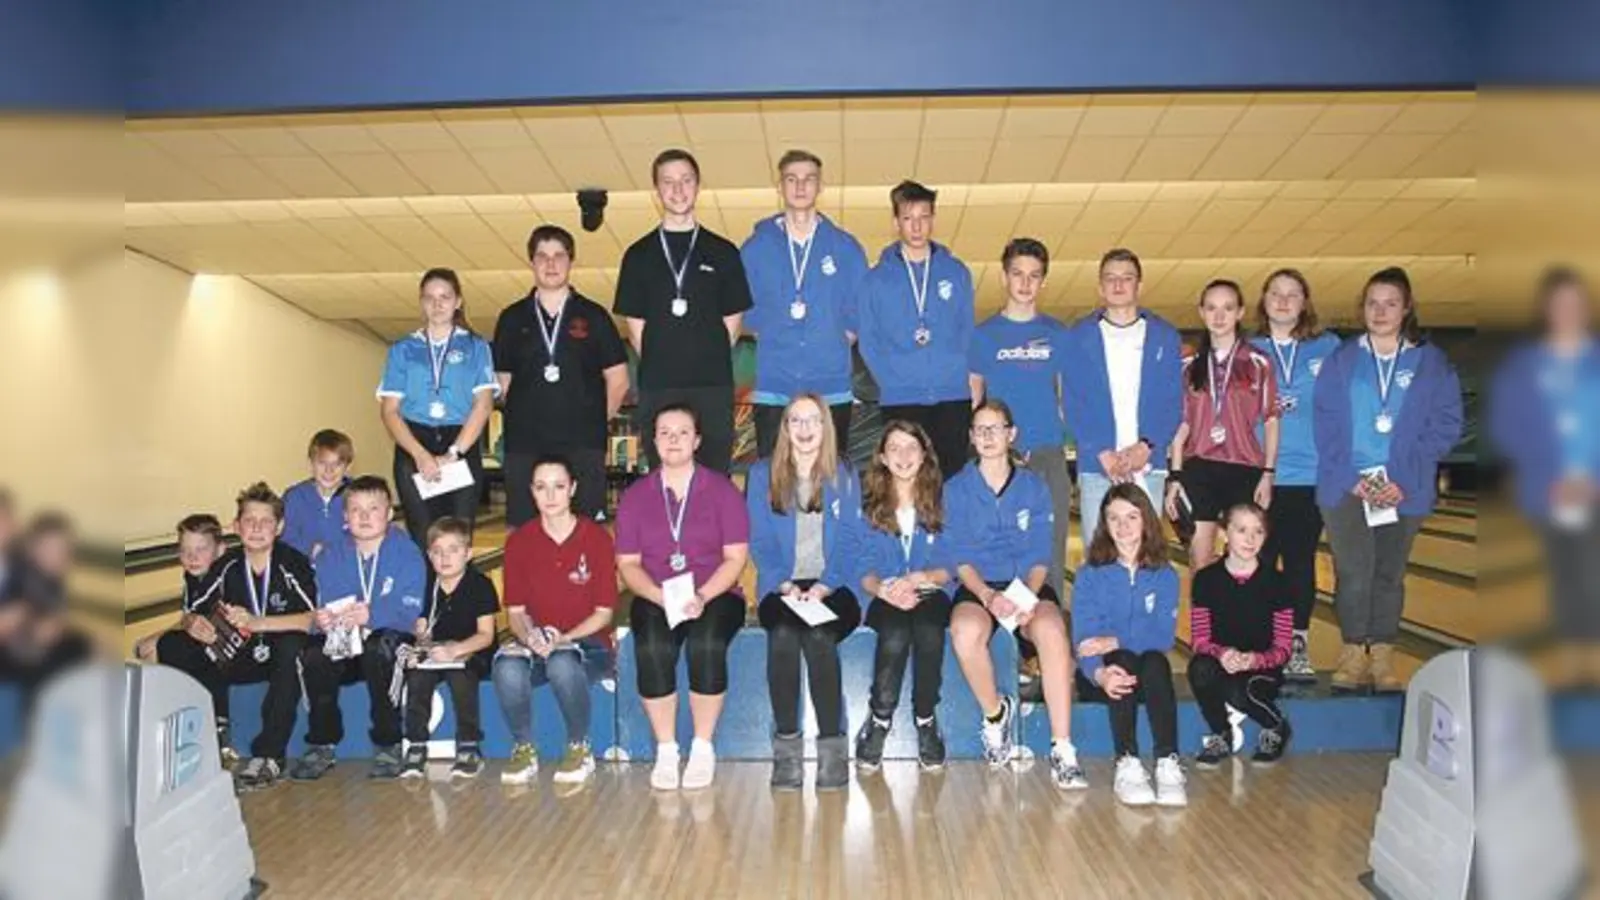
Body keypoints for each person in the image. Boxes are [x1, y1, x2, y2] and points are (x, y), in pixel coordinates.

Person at [1314, 267, 1462, 693]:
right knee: (1354, 571)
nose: (1380, 312)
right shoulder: (1343, 360)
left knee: (1389, 573)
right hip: (1348, 485)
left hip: (1404, 485)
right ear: (1363, 308)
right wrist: (1351, 478)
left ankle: (1382, 655)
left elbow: (1446, 424)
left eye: (1390, 303)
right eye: (1372, 303)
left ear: (1406, 308)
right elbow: (1325, 425)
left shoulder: (1430, 363)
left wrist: (1400, 478)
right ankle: (1352, 651)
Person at [944, 400, 1086, 789]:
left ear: (1012, 434)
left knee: (1052, 631)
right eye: (980, 429)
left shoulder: (1034, 488)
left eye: (996, 428)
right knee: (965, 633)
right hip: (979, 586)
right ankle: (995, 716)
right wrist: (988, 597)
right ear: (972, 437)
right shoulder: (956, 489)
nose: (988, 436)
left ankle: (1062, 747)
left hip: (1026, 585)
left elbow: (1040, 555)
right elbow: (960, 558)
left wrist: (1026, 598)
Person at [614, 403, 750, 790]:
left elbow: (735, 558)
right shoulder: (636, 496)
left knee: (706, 643)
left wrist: (703, 596)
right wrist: (658, 596)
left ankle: (703, 746)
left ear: (697, 440)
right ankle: (667, 749)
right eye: (665, 432)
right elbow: (628, 564)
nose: (674, 439)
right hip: (655, 593)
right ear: (653, 440)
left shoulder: (722, 490)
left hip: (716, 592)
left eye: (683, 432)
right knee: (653, 646)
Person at [154, 483, 315, 791]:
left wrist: (259, 623)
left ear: (279, 527)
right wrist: (192, 624)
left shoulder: (293, 563)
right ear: (237, 526)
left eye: (265, 521)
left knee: (293, 647)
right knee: (173, 644)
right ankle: (213, 727)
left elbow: (312, 620)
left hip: (279, 655)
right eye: (249, 521)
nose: (256, 528)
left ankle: (269, 755)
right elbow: (192, 612)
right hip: (239, 655)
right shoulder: (226, 566)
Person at [1489, 266, 1600, 686]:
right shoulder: (1524, 365)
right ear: (1546, 309)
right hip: (1547, 488)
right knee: (1566, 573)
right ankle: (1576, 659)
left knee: (1594, 573)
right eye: (1559, 304)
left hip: (1595, 485)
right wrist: (1545, 473)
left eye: (1574, 303)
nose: (1567, 311)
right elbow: (1507, 425)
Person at [746, 394, 863, 791]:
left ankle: (832, 748)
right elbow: (759, 540)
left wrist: (827, 584)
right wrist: (783, 583)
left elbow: (850, 539)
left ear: (826, 425)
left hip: (836, 585)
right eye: (795, 420)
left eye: (813, 420)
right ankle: (787, 750)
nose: (805, 429)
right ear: (785, 428)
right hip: (782, 587)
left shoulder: (844, 473)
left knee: (818, 636)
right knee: (781, 635)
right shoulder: (762, 474)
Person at [613, 149, 753, 474]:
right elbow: (637, 332)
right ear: (656, 191)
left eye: (686, 180)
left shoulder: (723, 252)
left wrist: (703, 358)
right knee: (665, 477)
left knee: (714, 477)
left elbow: (731, 326)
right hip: (659, 386)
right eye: (668, 182)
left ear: (698, 186)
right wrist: (667, 363)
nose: (678, 190)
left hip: (712, 386)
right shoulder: (638, 255)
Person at [292, 475, 429, 781]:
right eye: (356, 510)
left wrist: (372, 614)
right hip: (346, 642)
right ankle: (322, 742)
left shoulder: (407, 553)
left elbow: (410, 609)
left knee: (379, 647)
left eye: (373, 508)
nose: (365, 517)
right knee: (314, 655)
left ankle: (388, 743)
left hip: (390, 642)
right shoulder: (331, 556)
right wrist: (323, 620)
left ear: (389, 513)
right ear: (344, 517)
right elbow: (327, 603)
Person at [493, 225, 631, 525]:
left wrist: (593, 421)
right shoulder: (512, 318)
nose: (551, 264)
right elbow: (502, 384)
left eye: (559, 256)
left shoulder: (594, 316)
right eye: (542, 256)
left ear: (571, 261)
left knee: (584, 534)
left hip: (582, 444)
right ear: (532, 262)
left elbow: (619, 379)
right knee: (525, 535)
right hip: (525, 445)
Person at [495, 455, 617, 786]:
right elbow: (516, 612)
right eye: (541, 487)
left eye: (559, 486)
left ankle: (579, 746)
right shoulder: (519, 542)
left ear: (573, 489)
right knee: (506, 665)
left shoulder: (597, 539)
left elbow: (604, 613)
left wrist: (562, 639)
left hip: (590, 646)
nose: (550, 496)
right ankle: (524, 747)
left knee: (562, 663)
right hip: (538, 643)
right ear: (531, 492)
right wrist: (530, 637)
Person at [740, 150, 868, 458]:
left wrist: (833, 342)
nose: (800, 187)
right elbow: (744, 307)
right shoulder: (756, 247)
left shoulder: (845, 247)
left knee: (831, 478)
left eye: (809, 179)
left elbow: (862, 310)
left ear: (820, 186)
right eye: (791, 179)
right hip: (774, 385)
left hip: (831, 386)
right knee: (775, 481)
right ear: (779, 186)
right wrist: (772, 335)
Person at [1250, 269, 1341, 682]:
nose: (1284, 301)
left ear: (1305, 302)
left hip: (1310, 475)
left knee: (1301, 563)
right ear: (1264, 300)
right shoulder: (1246, 350)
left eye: (1293, 294)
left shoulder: (1329, 348)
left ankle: (1298, 643)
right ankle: (1268, 642)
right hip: (1258, 475)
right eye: (1276, 293)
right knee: (1261, 562)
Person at [968, 238, 1071, 600]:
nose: (1025, 283)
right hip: (1000, 459)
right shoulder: (981, 336)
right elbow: (974, 401)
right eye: (1017, 274)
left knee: (1050, 550)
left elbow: (1065, 400)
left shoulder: (1059, 335)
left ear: (1043, 281)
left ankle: (1048, 633)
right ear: (1003, 277)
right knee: (1002, 553)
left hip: (1047, 453)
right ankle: (1009, 643)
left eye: (1034, 275)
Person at [1062, 248, 1183, 551]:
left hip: (1147, 464)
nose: (1118, 285)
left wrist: (1147, 445)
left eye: (1126, 278)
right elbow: (1073, 402)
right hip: (1098, 464)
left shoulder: (1165, 336)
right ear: (1100, 287)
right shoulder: (1078, 336)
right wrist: (1098, 449)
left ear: (1139, 286)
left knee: (1146, 555)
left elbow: (1173, 402)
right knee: (1098, 556)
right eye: (1110, 279)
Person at [1072, 484, 1185, 808]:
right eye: (1114, 518)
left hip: (1147, 675)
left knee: (1154, 661)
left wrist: (1118, 638)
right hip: (1101, 676)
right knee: (1122, 658)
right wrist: (1099, 675)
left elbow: (1163, 636)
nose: (1123, 527)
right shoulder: (1089, 575)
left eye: (1131, 517)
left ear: (1146, 520)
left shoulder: (1164, 575)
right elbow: (1085, 641)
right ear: (1104, 524)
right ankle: (1127, 761)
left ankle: (1167, 761)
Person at [852, 420, 954, 773]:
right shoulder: (867, 506)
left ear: (924, 454)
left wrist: (924, 577)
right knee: (895, 633)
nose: (903, 456)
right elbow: (860, 566)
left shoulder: (944, 501)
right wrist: (882, 589)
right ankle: (879, 719)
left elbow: (954, 561)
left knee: (928, 629)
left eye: (911, 447)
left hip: (931, 588)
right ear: (881, 457)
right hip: (885, 593)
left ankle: (925, 718)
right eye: (894, 448)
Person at [857, 180, 975, 480]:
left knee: (951, 482)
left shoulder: (956, 272)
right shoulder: (876, 280)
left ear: (933, 219)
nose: (917, 226)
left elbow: (966, 332)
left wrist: (956, 372)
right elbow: (870, 342)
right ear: (896, 222)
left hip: (952, 396)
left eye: (924, 217)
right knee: (906, 481)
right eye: (908, 218)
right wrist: (893, 380)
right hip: (901, 397)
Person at [378, 267, 500, 547]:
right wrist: (420, 455)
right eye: (430, 298)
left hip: (460, 442)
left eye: (445, 297)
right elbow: (389, 411)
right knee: (423, 538)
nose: (437, 304)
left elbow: (482, 405)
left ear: (458, 301)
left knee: (457, 539)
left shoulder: (476, 347)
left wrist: (453, 453)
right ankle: (424, 591)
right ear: (421, 302)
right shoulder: (402, 349)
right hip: (413, 445)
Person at [1165, 279, 1280, 572]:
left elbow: (1270, 420)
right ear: (1201, 312)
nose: (1219, 316)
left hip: (1244, 466)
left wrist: (1268, 474)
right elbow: (1182, 426)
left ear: (1240, 312)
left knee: (1245, 560)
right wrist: (1175, 477)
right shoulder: (1189, 365)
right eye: (1212, 308)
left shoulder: (1258, 362)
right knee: (1199, 559)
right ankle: (1204, 620)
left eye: (1228, 308)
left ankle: (1239, 619)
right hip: (1199, 466)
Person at [1188, 503, 1294, 768]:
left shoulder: (1278, 583)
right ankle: (1221, 733)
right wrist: (1222, 653)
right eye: (1241, 530)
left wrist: (1252, 661)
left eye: (1258, 532)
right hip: (1221, 661)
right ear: (1225, 533)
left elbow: (1283, 648)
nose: (1250, 539)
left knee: (1238, 690)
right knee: (1200, 669)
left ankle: (1276, 726)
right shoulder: (1205, 580)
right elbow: (1199, 640)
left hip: (1261, 669)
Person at [400, 517, 499, 780]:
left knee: (460, 676)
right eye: (437, 551)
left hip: (474, 651)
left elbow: (486, 635)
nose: (444, 558)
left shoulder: (481, 586)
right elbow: (420, 633)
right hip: (438, 653)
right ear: (429, 555)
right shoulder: (426, 587)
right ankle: (416, 744)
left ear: (467, 554)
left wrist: (457, 651)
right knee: (418, 677)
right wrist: (419, 636)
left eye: (453, 550)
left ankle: (469, 745)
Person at [133, 513, 226, 666]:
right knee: (142, 646)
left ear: (220, 550)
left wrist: (159, 640)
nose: (192, 557)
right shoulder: (192, 576)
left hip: (216, 647)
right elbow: (187, 617)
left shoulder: (224, 579)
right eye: (185, 550)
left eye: (201, 549)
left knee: (158, 647)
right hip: (194, 635)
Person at [281, 429, 354, 561]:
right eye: (322, 463)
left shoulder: (358, 496)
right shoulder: (294, 497)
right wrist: (311, 549)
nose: (329, 471)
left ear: (347, 467)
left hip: (348, 572)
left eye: (337, 464)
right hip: (305, 572)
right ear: (311, 463)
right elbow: (285, 541)